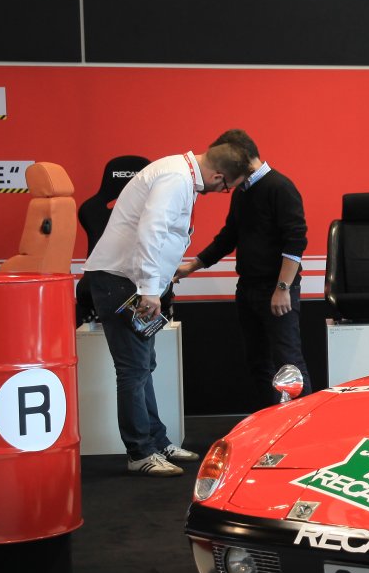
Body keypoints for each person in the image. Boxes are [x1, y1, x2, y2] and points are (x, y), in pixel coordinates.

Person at [83, 141, 253, 476]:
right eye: (226, 188)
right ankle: (140, 452)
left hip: (130, 280)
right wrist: (149, 288)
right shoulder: (176, 178)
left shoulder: (180, 174)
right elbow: (152, 231)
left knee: (144, 365)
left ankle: (157, 441)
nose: (221, 192)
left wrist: (160, 281)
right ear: (218, 176)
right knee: (133, 370)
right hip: (123, 281)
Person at [175, 130, 311, 408]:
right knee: (258, 363)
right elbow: (229, 236)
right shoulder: (242, 192)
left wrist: (282, 288)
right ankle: (269, 421)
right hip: (248, 289)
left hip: (276, 290)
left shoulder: (280, 187)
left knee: (289, 365)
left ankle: (303, 426)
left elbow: (295, 241)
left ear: (241, 157)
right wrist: (191, 267)